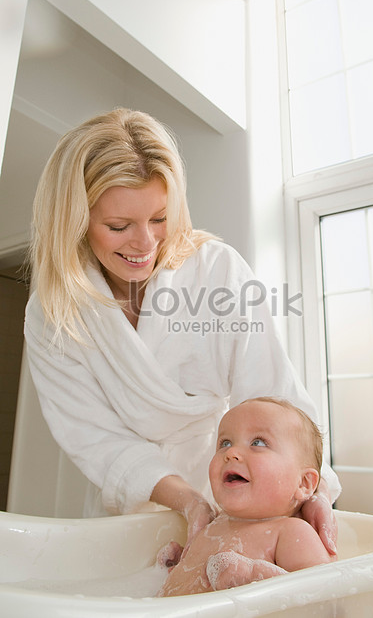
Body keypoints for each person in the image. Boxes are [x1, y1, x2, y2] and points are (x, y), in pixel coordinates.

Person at [24, 107, 340, 555]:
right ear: (74, 222)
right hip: (139, 501)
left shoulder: (216, 270)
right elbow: (96, 439)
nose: (147, 244)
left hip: (236, 492)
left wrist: (313, 493)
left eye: (159, 218)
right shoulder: (53, 313)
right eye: (119, 226)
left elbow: (275, 397)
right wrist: (187, 502)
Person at [158, 396, 335, 597]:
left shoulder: (291, 533)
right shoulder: (214, 524)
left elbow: (323, 598)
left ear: (303, 483)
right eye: (225, 443)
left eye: (258, 442)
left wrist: (253, 574)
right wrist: (181, 564)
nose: (231, 452)